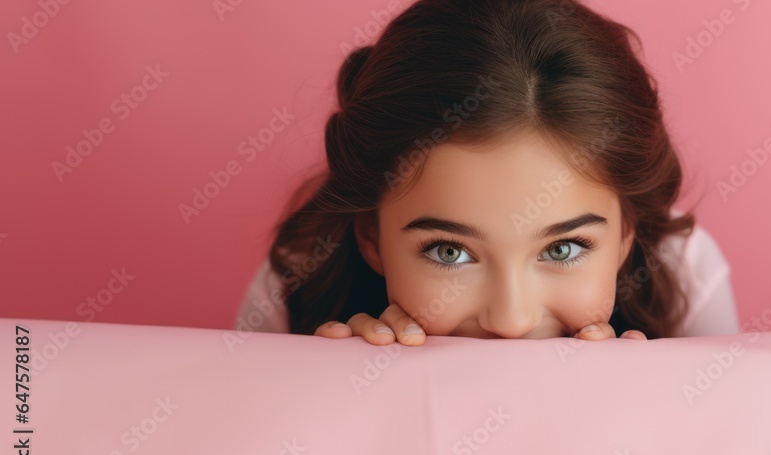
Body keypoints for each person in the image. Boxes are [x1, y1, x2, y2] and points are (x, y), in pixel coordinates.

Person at [234, 0, 740, 345]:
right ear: (371, 235)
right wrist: (330, 401)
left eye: (562, 249)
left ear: (628, 230)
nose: (511, 322)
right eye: (449, 252)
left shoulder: (683, 273)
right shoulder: (295, 282)